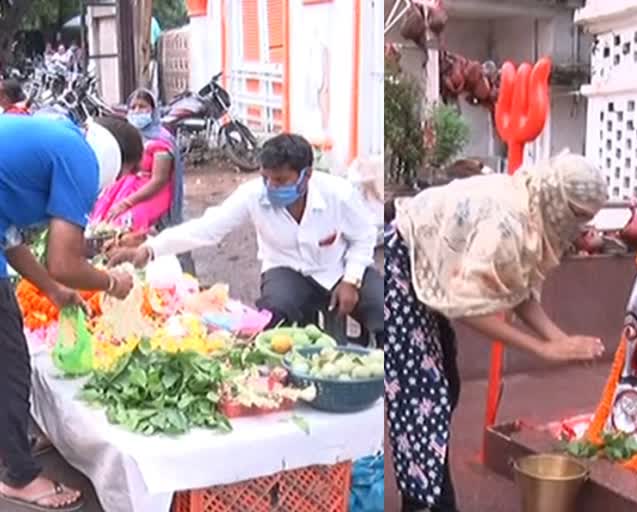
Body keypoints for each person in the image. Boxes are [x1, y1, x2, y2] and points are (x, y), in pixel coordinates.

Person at [386, 150, 608, 511]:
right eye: (579, 216)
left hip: (424, 272)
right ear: (559, 199)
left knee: (446, 386)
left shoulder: (532, 203)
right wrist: (541, 349)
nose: (578, 228)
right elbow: (465, 305)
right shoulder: (509, 221)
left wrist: (559, 339)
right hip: (402, 271)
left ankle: (430, 487)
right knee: (425, 398)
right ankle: (425, 501)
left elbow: (512, 286)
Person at [108, 133, 384, 345]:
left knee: (384, 305)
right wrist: (150, 249)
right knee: (274, 316)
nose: (272, 187)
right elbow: (208, 229)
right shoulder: (254, 195)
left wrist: (352, 279)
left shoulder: (339, 194)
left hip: (337, 269)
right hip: (285, 269)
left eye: (281, 180)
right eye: (267, 179)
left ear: (306, 175)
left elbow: (365, 236)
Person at [0, 115, 141, 512]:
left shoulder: (58, 137)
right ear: (122, 163)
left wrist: (53, 291)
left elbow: (10, 240)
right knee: (9, 362)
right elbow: (64, 260)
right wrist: (112, 282)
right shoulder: (82, 160)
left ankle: (9, 449)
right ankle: (20, 478)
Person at [91, 89, 183, 234]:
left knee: (126, 222)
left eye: (142, 107)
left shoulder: (161, 141)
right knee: (101, 213)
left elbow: (159, 181)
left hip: (153, 193)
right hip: (127, 187)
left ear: (152, 111)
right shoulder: (131, 137)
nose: (137, 111)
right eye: (133, 107)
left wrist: (127, 203)